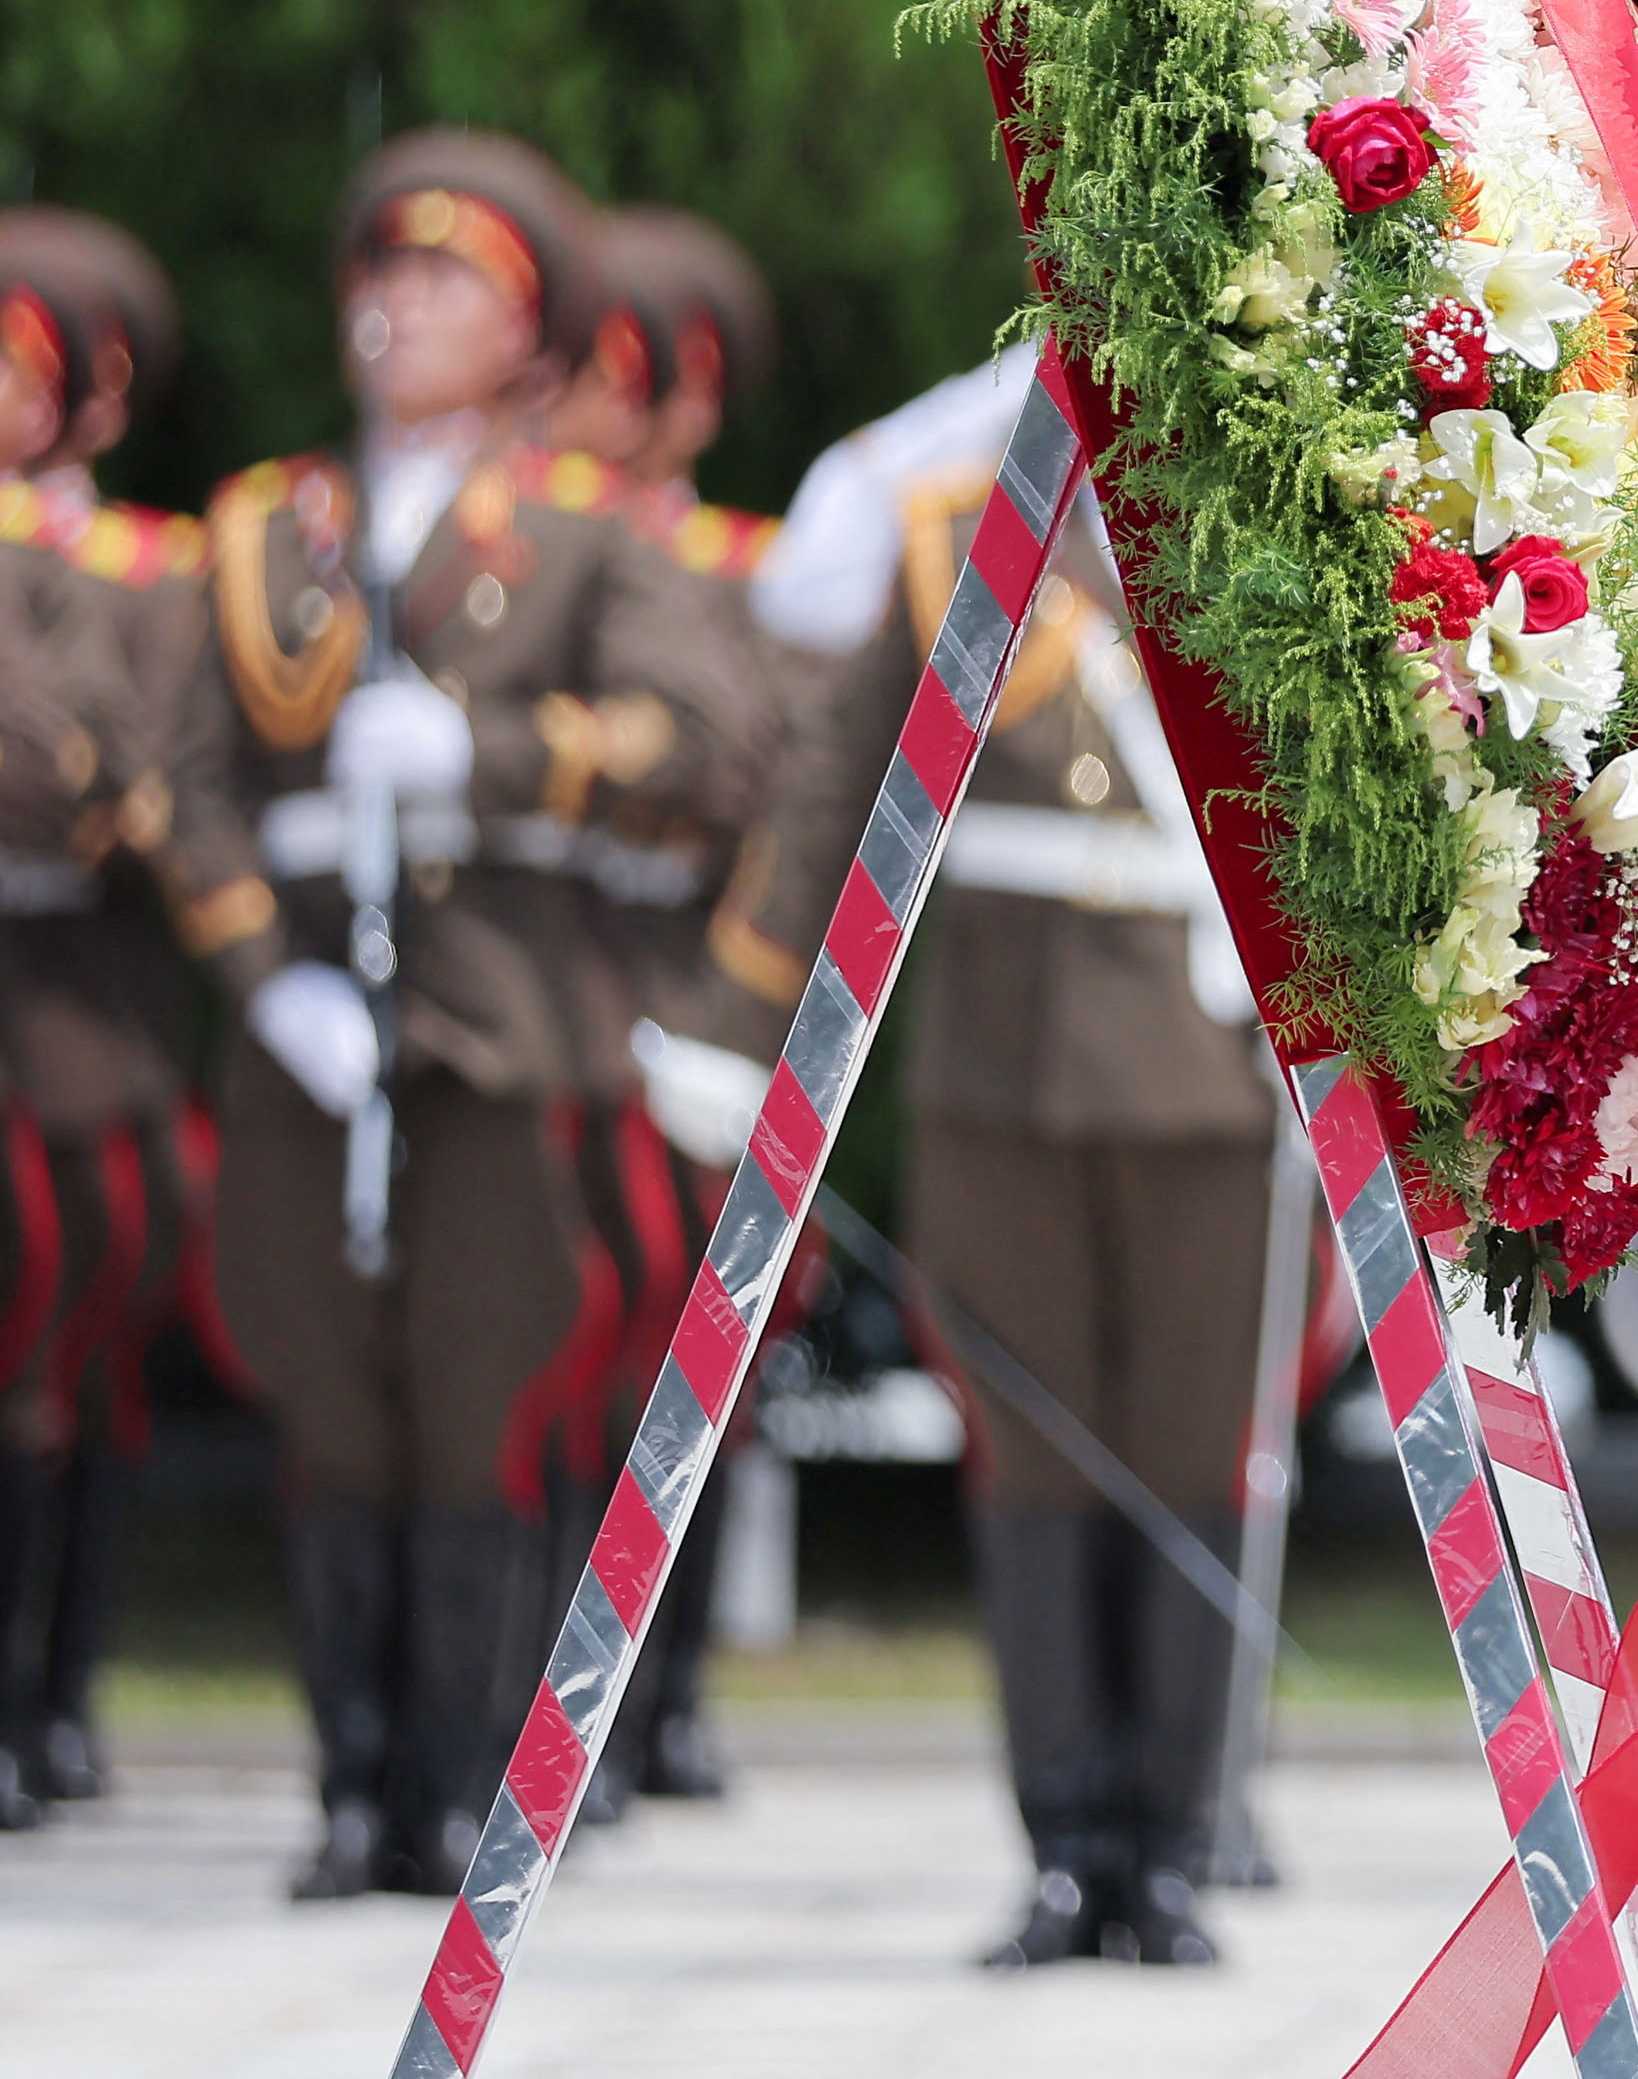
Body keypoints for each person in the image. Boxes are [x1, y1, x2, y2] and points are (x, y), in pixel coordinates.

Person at [148, 131, 769, 1899]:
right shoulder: (273, 525)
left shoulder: (576, 532)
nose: (399, 310)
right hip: (309, 1037)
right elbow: (186, 774)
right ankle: (350, 1784)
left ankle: (466, 1786)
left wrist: (492, 753)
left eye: (451, 286)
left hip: (502, 1022)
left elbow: (707, 736)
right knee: (329, 1401)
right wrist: (265, 986)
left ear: (527, 338)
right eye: (385, 279)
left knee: (481, 1399)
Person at [721, 351, 1278, 1970]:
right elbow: (835, 764)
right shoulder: (958, 535)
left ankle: (1171, 1844)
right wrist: (737, 1015)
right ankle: (1062, 1840)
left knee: (1186, 1458)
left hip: (1206, 1069)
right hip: (1000, 1067)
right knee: (1031, 1460)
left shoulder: (1263, 538)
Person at [538, 204, 782, 1816]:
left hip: (695, 973)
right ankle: (567, 1702)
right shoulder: (520, 545)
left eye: (618, 378)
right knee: (562, 1334)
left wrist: (733, 1008)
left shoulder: (750, 567)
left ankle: (667, 1686)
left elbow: (789, 800)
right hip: (554, 965)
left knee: (703, 1357)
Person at [0, 245, 151, 1834]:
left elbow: (106, 770)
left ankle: (45, 1696)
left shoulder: (127, 558)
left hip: (55, 971)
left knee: (57, 1343)